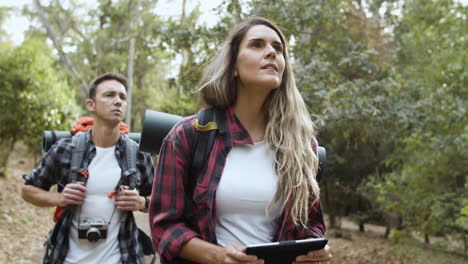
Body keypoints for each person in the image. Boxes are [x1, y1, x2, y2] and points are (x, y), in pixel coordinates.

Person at [150, 17, 332, 264]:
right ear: (233, 66)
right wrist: (216, 256)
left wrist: (314, 247)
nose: (270, 52)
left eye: (277, 49)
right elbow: (165, 226)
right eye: (257, 45)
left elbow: (310, 221)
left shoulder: (301, 145)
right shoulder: (188, 135)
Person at [22, 73, 154, 264]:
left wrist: (142, 202)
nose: (117, 101)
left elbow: (160, 201)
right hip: (67, 257)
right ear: (90, 104)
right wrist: (59, 198)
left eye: (122, 97)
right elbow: (28, 190)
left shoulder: (139, 155)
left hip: (123, 257)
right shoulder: (64, 149)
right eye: (109, 95)